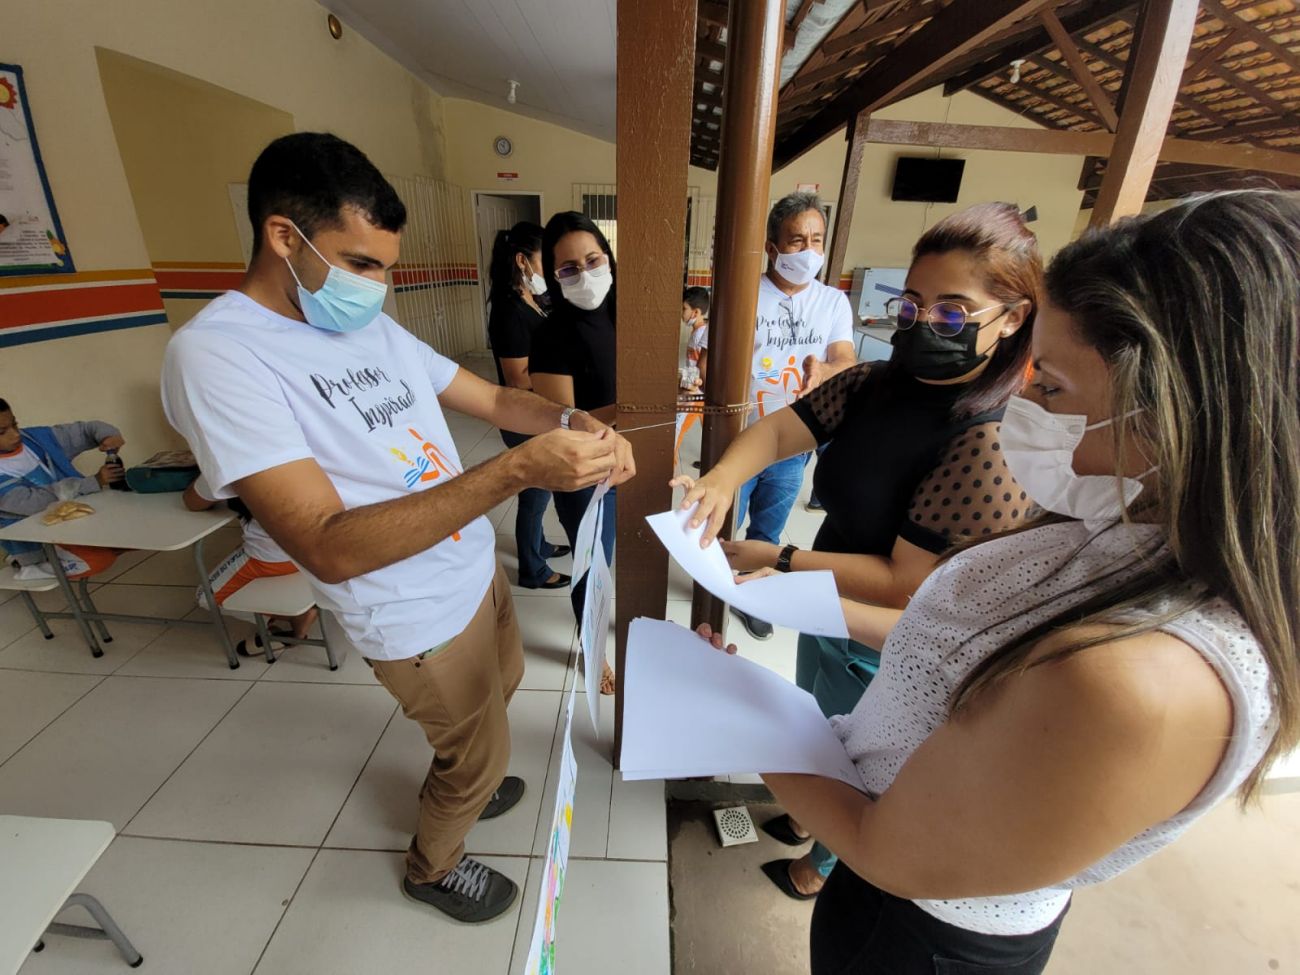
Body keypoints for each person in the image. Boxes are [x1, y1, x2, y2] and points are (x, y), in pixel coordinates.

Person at [700, 190, 1298, 974]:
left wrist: (740, 707)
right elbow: (958, 639)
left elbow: (890, 848)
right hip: (883, 859)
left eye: (1051, 388)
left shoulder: (1140, 677)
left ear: (1178, 409)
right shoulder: (1120, 528)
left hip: (922, 931)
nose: (1028, 409)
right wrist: (797, 613)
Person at [162, 133, 634, 924]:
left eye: (385, 267)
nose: (376, 288)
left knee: (502, 688)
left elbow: (494, 399)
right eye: (361, 263)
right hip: (409, 609)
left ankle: (470, 775)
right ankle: (432, 863)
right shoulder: (217, 355)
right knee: (475, 749)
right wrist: (516, 471)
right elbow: (325, 542)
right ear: (284, 236)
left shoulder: (365, 326)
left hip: (471, 568)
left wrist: (573, 420)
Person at [676, 202, 1040, 899]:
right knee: (820, 716)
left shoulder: (988, 439)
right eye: (914, 304)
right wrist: (721, 478)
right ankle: (811, 812)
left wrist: (779, 559)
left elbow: (906, 582)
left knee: (867, 758)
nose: (925, 323)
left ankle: (822, 864)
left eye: (954, 312)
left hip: (888, 634)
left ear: (1012, 318)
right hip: (827, 597)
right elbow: (780, 430)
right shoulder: (875, 384)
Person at [732, 192, 856, 640]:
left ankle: (752, 595)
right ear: (772, 247)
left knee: (769, 526)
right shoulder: (744, 296)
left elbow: (845, 359)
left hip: (793, 441)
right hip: (739, 438)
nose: (808, 250)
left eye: (816, 240)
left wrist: (824, 371)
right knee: (722, 520)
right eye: (797, 240)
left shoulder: (832, 302)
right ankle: (713, 583)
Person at [529, 211, 620, 695]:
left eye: (593, 260)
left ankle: (608, 629)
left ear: (608, 258)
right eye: (568, 268)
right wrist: (633, 407)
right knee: (591, 563)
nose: (584, 275)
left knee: (615, 555)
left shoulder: (624, 314)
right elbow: (562, 421)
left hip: (628, 460)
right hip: (584, 470)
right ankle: (593, 648)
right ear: (553, 274)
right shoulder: (551, 334)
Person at [487, 220, 572, 590]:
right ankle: (532, 570)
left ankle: (539, 545)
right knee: (535, 493)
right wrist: (562, 375)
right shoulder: (508, 310)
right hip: (523, 417)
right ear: (522, 260)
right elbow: (517, 377)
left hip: (538, 413)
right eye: (544, 260)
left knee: (540, 489)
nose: (549, 270)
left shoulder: (530, 301)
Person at [183, 475, 316, 656]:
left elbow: (192, 502)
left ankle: (294, 616)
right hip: (319, 552)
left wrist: (205, 473)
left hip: (275, 557)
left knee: (205, 597)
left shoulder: (233, 465)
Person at [0, 398, 126, 579]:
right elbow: (31, 503)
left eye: (15, 424)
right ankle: (29, 566)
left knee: (128, 535)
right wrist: (93, 482)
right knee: (99, 560)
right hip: (40, 540)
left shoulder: (35, 439)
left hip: (75, 522)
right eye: (2, 432)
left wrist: (108, 435)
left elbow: (84, 430)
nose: (15, 434)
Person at [675, 286, 711, 468]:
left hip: (696, 393)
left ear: (696, 312)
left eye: (684, 309)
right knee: (711, 429)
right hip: (696, 391)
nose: (682, 313)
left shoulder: (701, 335)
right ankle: (712, 458)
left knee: (678, 430)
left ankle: (670, 464)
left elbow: (701, 366)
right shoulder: (697, 332)